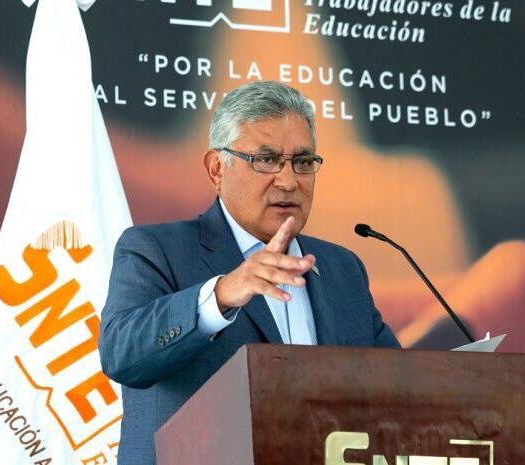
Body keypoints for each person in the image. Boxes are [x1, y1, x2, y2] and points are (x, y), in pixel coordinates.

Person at [98, 80, 400, 465]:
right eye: (266, 160)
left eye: (303, 162)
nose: (288, 181)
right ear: (216, 169)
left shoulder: (343, 268)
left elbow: (398, 387)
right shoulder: (156, 249)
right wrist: (220, 295)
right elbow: (122, 354)